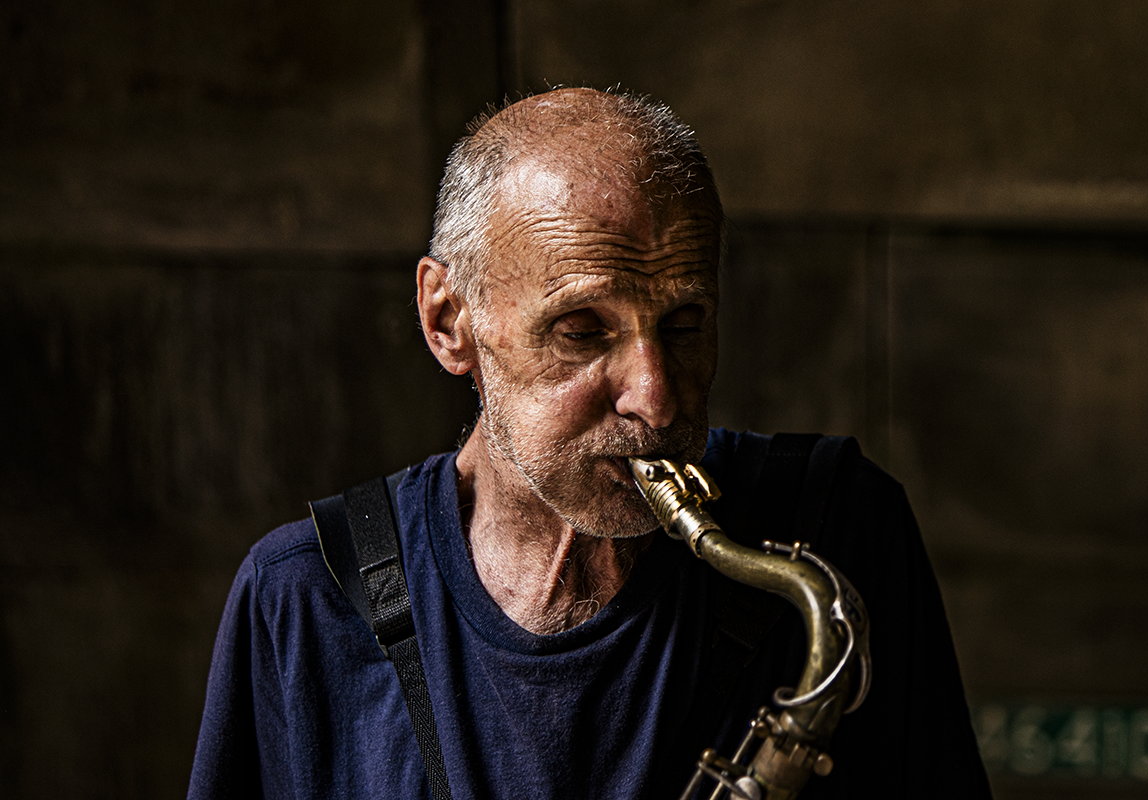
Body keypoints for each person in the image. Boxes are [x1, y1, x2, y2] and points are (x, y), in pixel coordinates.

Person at [186, 88, 992, 799]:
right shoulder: (300, 598)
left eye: (682, 326)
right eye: (581, 331)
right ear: (447, 320)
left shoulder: (840, 524)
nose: (655, 397)